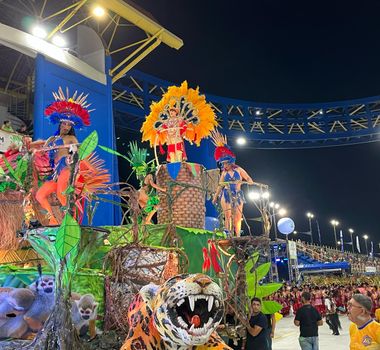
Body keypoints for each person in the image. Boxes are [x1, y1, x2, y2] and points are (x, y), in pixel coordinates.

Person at [35, 87, 91, 225]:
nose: (66, 126)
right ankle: (54, 217)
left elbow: (79, 153)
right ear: (60, 122)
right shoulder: (51, 140)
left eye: (68, 124)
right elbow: (42, 154)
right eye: (64, 123)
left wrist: (74, 152)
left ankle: (70, 221)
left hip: (66, 171)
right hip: (53, 174)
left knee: (62, 195)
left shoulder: (71, 138)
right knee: (40, 195)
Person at [211, 130, 254, 236]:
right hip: (226, 195)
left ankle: (238, 235)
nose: (224, 165)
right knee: (228, 214)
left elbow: (248, 177)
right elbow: (220, 185)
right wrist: (215, 196)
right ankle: (228, 233)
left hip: (238, 194)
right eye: (223, 163)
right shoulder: (223, 173)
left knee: (238, 216)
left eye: (226, 163)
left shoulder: (239, 169)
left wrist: (249, 181)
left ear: (230, 161)